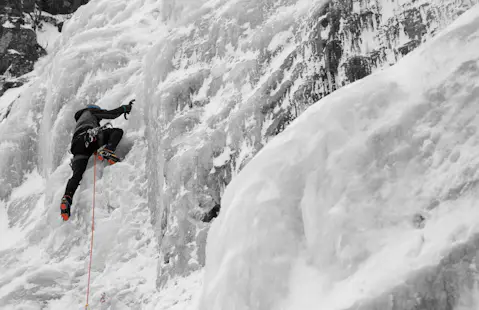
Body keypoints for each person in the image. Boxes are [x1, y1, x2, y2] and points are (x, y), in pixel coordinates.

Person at [60, 100, 134, 221]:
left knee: (76, 176)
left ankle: (67, 198)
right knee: (116, 131)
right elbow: (110, 114)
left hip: (77, 148)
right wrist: (124, 108)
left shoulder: (79, 122)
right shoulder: (90, 111)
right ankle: (108, 150)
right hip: (88, 137)